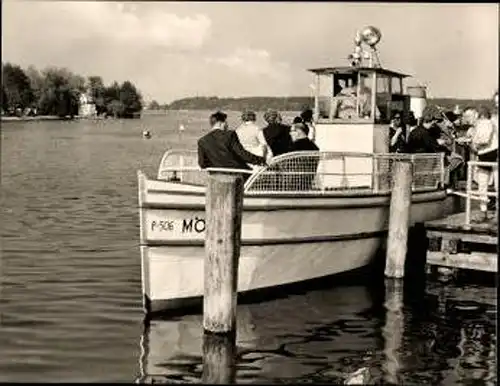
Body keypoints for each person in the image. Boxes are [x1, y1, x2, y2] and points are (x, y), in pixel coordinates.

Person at [197, 111, 267, 173]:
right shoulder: (230, 135)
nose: (227, 125)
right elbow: (242, 154)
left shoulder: (202, 141)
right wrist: (260, 160)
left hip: (216, 175)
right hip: (236, 173)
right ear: (221, 123)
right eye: (226, 122)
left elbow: (202, 164)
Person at [470, 106, 497, 216]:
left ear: (480, 115)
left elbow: (484, 140)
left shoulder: (485, 123)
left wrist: (472, 143)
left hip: (489, 154)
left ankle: (484, 211)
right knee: (485, 184)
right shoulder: (489, 123)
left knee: (483, 184)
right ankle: (484, 210)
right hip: (489, 153)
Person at [285, 122, 320, 191]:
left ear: (298, 131)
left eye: (292, 131)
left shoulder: (294, 147)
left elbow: (288, 165)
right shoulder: (313, 146)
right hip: (308, 180)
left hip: (294, 181)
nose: (290, 133)